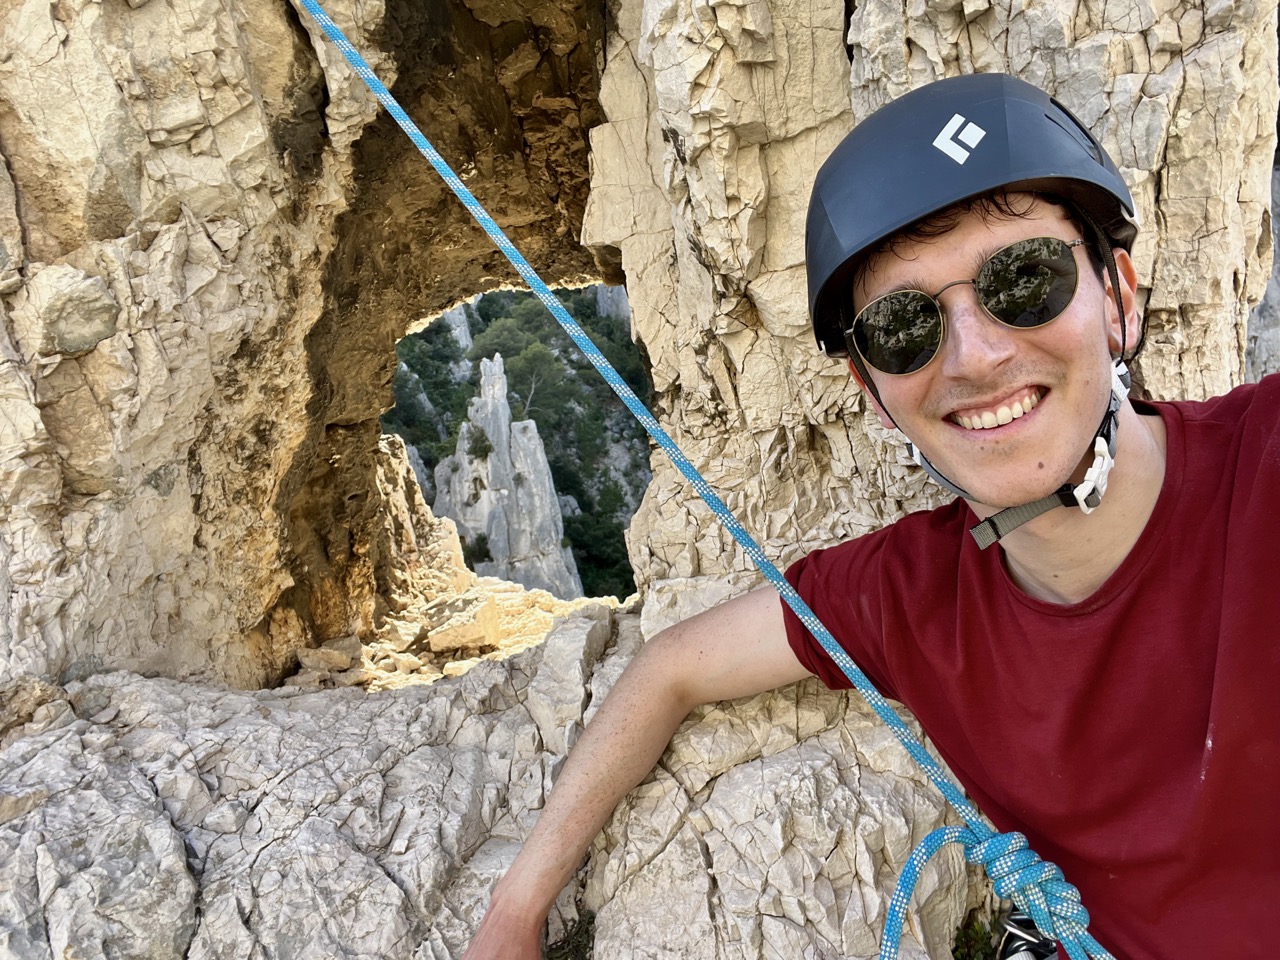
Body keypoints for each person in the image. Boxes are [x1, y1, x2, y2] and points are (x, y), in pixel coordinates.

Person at [462, 73, 1279, 960]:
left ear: (1117, 296)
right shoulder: (908, 599)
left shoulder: (1263, 460)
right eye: (904, 327)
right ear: (874, 390)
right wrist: (516, 909)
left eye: (1024, 279)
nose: (976, 354)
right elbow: (671, 668)